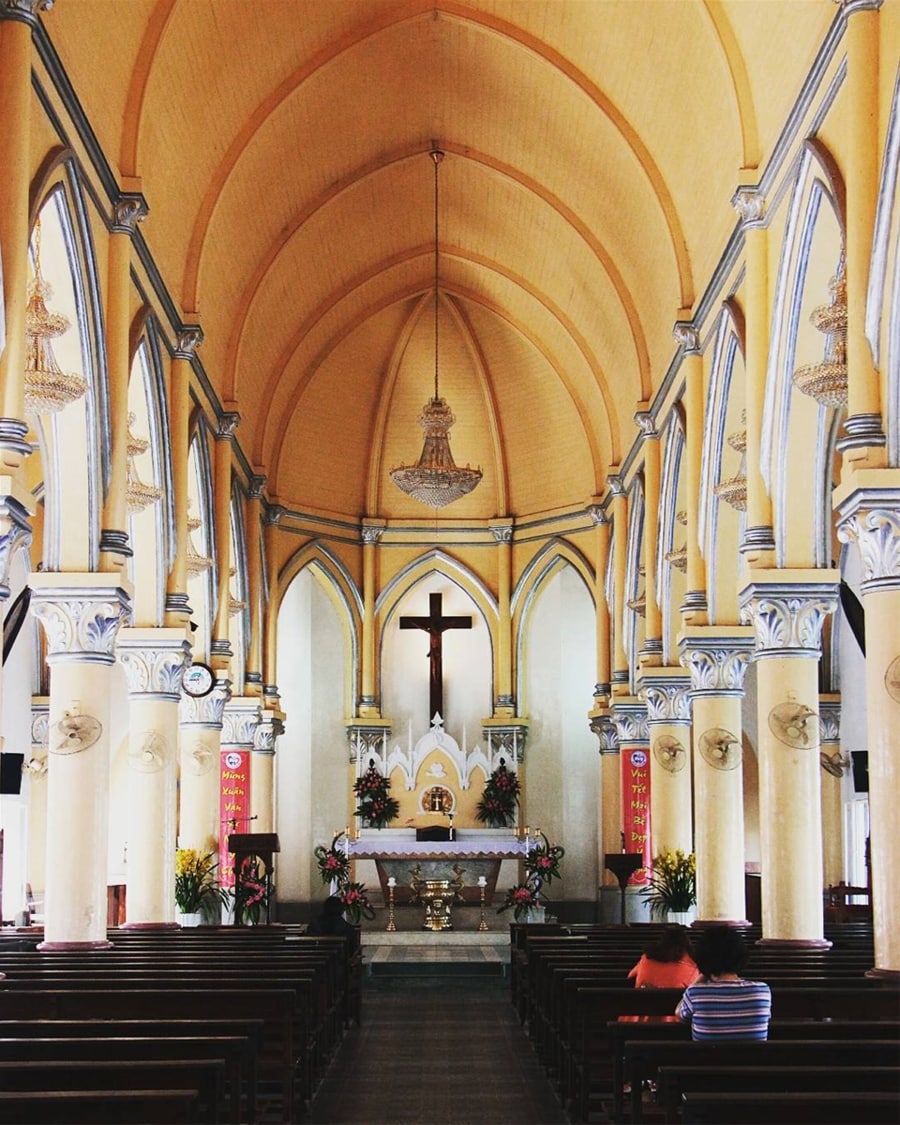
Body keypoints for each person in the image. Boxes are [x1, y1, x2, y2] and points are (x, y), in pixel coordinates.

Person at [675, 927, 771, 1039]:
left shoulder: (696, 993)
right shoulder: (762, 991)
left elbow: (679, 1015)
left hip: (706, 1056)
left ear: (703, 957)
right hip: (753, 1057)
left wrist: (701, 977)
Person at [627, 925, 700, 989]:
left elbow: (630, 976)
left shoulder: (646, 959)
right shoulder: (691, 969)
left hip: (643, 1003)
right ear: (686, 947)